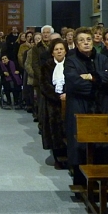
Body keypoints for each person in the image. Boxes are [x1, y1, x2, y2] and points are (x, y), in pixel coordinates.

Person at [64, 27, 108, 187]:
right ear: (76, 44)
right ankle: (81, 183)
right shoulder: (71, 60)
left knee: (103, 143)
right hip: (80, 106)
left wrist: (92, 77)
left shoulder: (102, 58)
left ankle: (104, 183)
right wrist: (98, 84)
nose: (85, 43)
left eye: (88, 40)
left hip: (102, 106)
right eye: (81, 41)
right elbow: (74, 83)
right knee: (80, 145)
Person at [40, 38, 68, 170]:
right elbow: (44, 84)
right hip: (52, 102)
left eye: (61, 49)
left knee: (67, 130)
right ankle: (58, 158)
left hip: (68, 100)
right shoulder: (47, 65)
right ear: (52, 52)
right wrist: (56, 96)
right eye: (56, 49)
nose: (59, 51)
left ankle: (68, 157)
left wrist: (67, 94)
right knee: (54, 129)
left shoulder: (71, 64)